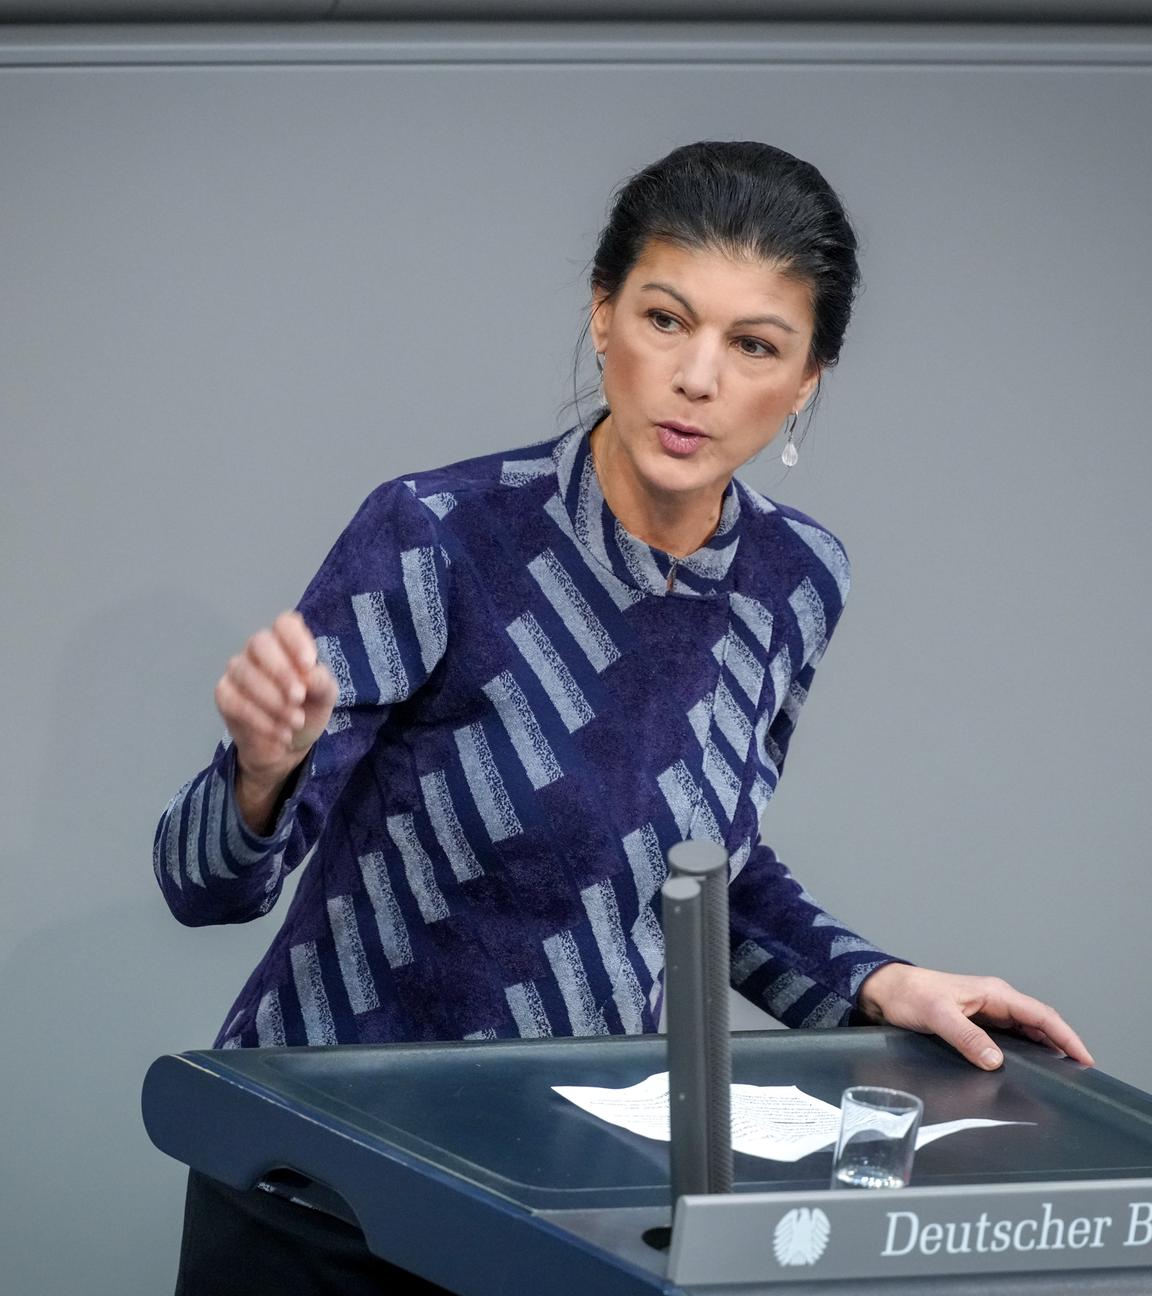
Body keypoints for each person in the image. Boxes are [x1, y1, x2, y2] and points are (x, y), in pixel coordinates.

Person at [155, 140, 1092, 1295]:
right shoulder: (440, 533)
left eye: (755, 345)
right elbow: (205, 886)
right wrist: (263, 772)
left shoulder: (796, 580)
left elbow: (695, 868)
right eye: (665, 319)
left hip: (569, 1191)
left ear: (806, 381)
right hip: (328, 1182)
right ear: (603, 319)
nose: (698, 378)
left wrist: (877, 983)